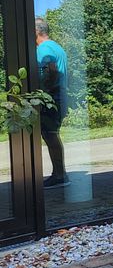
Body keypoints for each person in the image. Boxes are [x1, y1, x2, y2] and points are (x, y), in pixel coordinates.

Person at [35, 17, 69, 189]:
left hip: (52, 97)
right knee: (51, 134)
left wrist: (45, 95)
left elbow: (52, 71)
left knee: (50, 134)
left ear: (36, 31)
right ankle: (60, 173)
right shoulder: (56, 46)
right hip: (59, 95)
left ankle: (59, 175)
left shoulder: (44, 48)